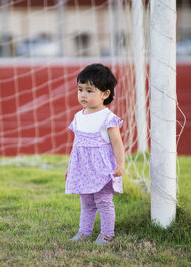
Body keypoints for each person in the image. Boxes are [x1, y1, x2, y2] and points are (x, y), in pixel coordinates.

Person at [65, 63, 125, 245]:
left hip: (101, 168)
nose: (83, 95)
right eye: (80, 89)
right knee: (86, 203)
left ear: (105, 94)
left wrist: (120, 164)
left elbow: (117, 142)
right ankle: (84, 231)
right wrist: (70, 167)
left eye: (89, 91)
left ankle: (107, 233)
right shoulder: (78, 116)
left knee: (103, 201)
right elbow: (76, 145)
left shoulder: (108, 118)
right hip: (83, 168)